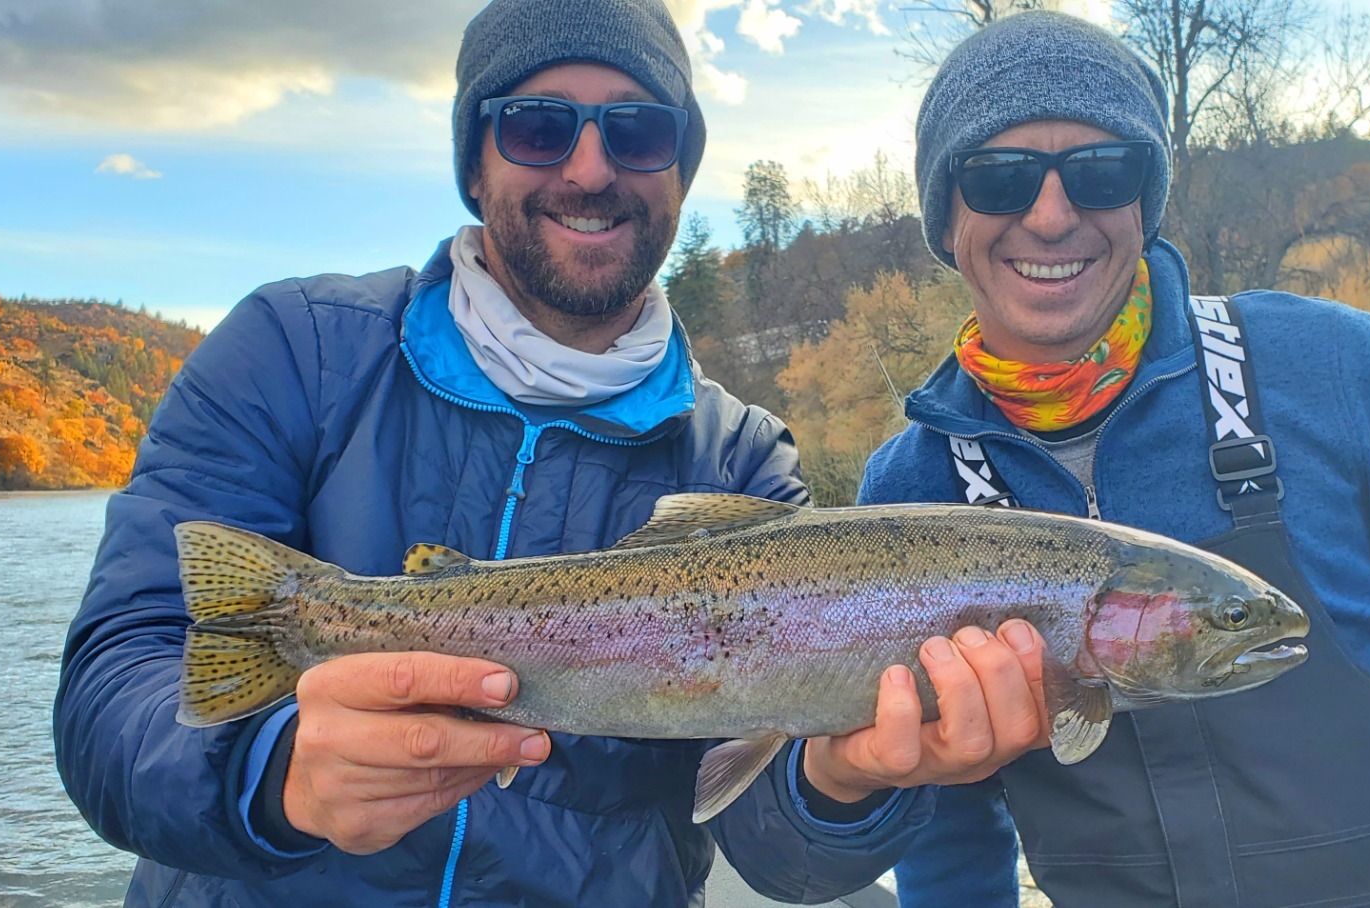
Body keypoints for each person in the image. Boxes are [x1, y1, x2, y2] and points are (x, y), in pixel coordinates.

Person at [52, 1, 1050, 904]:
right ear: (475, 161)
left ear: (677, 173)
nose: (588, 169)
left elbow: (771, 848)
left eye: (637, 129)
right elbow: (116, 693)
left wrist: (847, 779)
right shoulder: (293, 349)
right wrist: (276, 771)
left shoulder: (743, 459)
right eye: (537, 124)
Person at [865, 11, 1370, 908]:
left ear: (1143, 197)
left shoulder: (1336, 367)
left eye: (1101, 171)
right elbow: (947, 824)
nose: (1051, 216)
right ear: (947, 212)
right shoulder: (911, 487)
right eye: (999, 177)